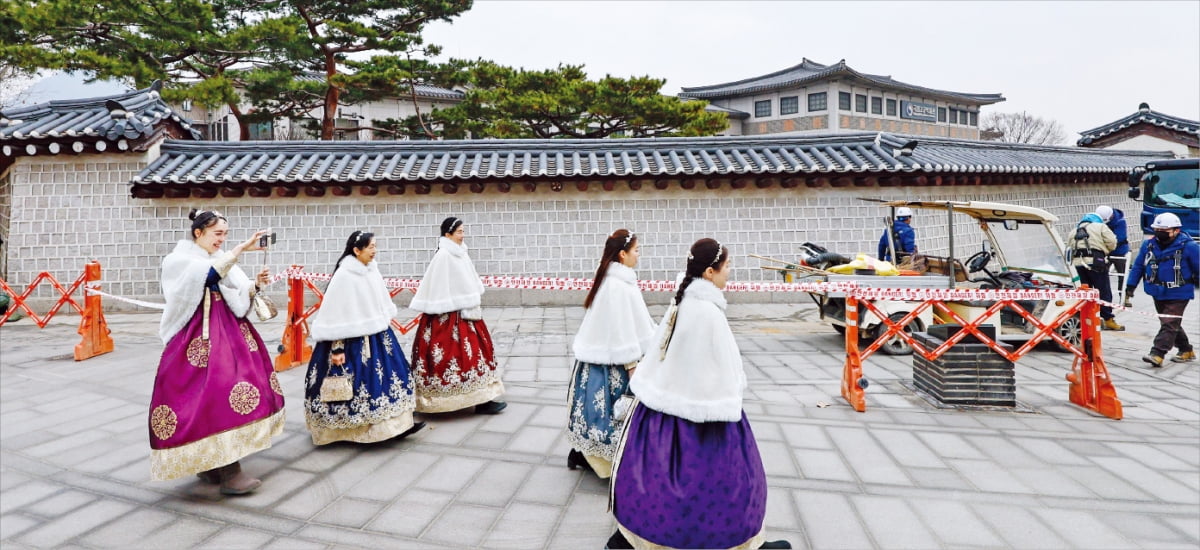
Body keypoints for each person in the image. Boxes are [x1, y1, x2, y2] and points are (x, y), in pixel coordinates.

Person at [608, 238, 790, 550]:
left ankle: (631, 538)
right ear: (709, 272)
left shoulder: (683, 302)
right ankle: (739, 543)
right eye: (727, 267)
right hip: (705, 416)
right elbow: (720, 370)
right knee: (723, 484)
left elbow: (661, 351)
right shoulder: (707, 312)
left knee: (652, 480)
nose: (729, 273)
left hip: (661, 412)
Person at [149, 209, 284, 495]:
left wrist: (255, 284)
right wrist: (240, 249)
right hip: (196, 336)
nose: (221, 240)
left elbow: (233, 287)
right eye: (217, 234)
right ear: (198, 233)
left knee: (235, 390)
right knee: (216, 393)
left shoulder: (215, 259)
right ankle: (228, 472)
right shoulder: (179, 261)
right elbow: (208, 276)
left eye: (225, 234)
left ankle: (213, 464)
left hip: (227, 330)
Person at [304, 231, 425, 445]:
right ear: (356, 250)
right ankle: (353, 431)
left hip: (378, 336)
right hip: (350, 342)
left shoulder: (372, 271)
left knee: (391, 378)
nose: (374, 251)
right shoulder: (344, 275)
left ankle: (396, 425)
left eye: (375, 246)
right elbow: (335, 313)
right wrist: (337, 349)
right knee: (357, 385)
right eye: (370, 247)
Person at [566, 229, 655, 478]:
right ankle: (601, 460)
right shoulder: (617, 285)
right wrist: (632, 365)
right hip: (615, 363)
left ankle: (585, 454)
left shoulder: (619, 280)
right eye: (636, 250)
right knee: (610, 413)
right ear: (623, 254)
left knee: (598, 414)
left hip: (605, 359)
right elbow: (621, 329)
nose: (638, 255)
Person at [409, 217, 506, 414]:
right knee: (452, 357)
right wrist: (448, 303)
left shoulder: (462, 253)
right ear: (448, 234)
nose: (463, 235)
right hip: (445, 318)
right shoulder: (444, 255)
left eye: (463, 231)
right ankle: (441, 401)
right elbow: (437, 286)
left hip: (467, 314)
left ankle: (482, 399)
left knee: (475, 356)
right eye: (459, 232)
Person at [1126, 213, 1199, 367]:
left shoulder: (1189, 246)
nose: (1159, 233)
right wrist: (1130, 286)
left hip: (1179, 291)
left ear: (1176, 230)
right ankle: (1186, 350)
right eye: (1157, 229)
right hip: (1157, 291)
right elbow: (1139, 265)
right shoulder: (1148, 245)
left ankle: (1157, 353)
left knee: (1169, 322)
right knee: (1170, 323)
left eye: (1164, 230)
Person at [1070, 211, 1124, 331]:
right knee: (1103, 291)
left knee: (1084, 292)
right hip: (1096, 262)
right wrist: (1105, 250)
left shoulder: (1074, 230)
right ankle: (1108, 319)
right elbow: (1112, 242)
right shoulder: (1101, 227)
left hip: (1077, 264)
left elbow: (1069, 246)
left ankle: (1085, 319)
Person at [1096, 205, 1134, 307]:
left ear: (1111, 215)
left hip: (1119, 251)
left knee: (1123, 275)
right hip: (1104, 252)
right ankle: (1102, 297)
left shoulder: (1120, 222)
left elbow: (1119, 238)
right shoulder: (1098, 221)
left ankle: (1125, 297)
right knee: (1100, 274)